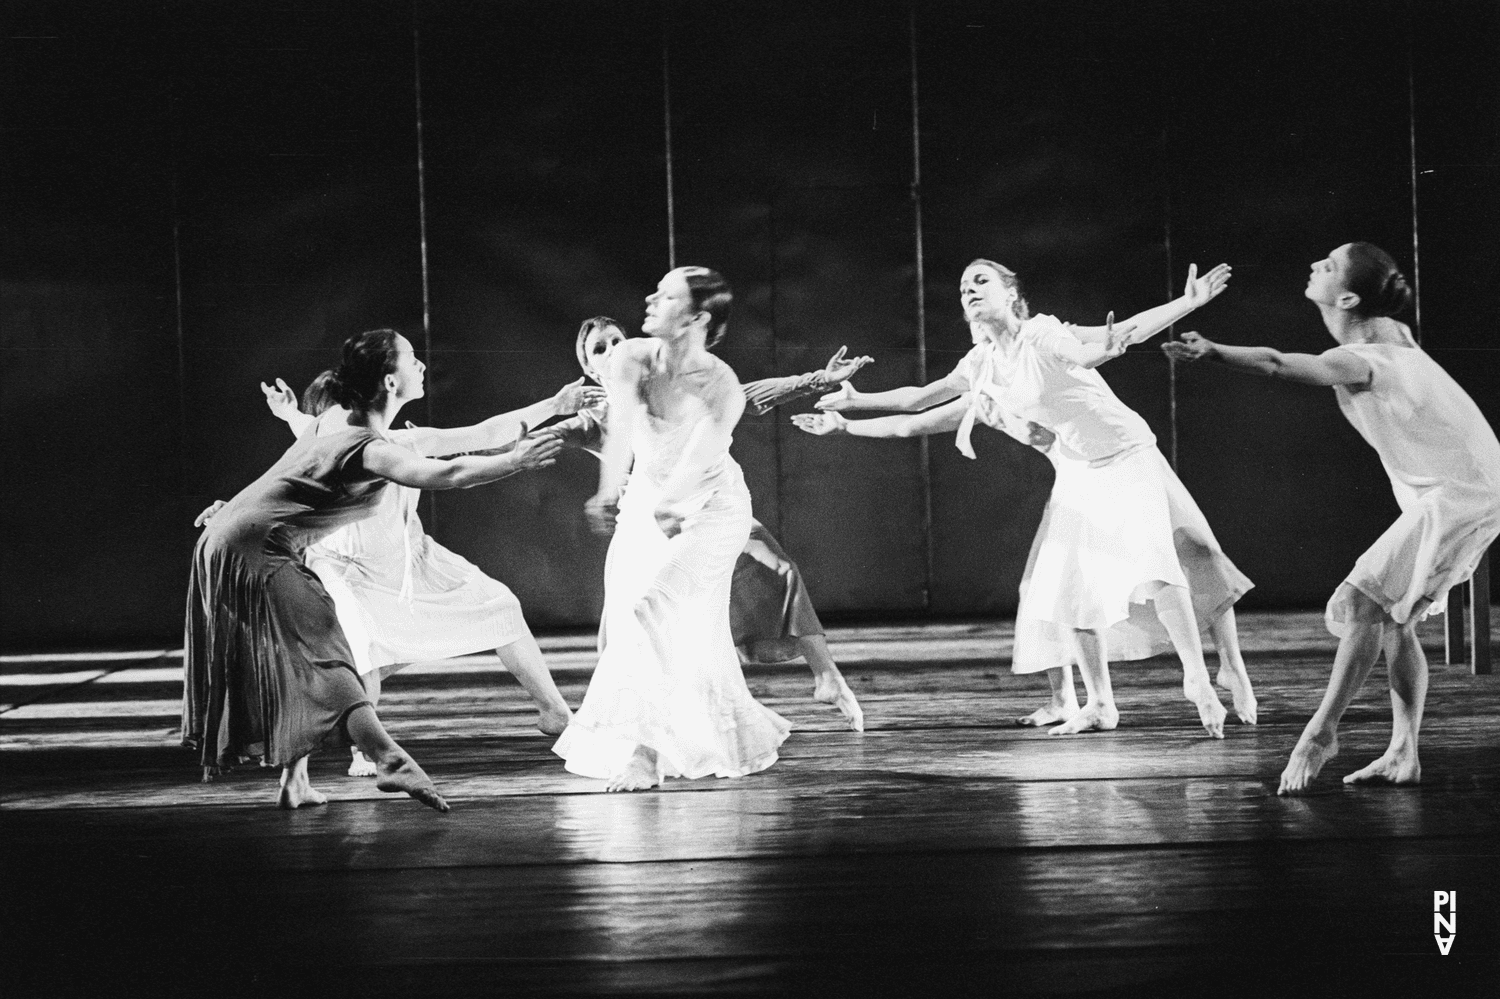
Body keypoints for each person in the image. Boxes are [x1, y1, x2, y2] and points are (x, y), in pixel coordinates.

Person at [796, 260, 1256, 738]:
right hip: (1079, 471)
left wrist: (1184, 305)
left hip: (1126, 452)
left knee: (1170, 558)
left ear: (1012, 294)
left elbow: (1087, 352)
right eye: (962, 286)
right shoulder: (982, 367)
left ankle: (1201, 677)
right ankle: (1098, 703)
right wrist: (853, 410)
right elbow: (916, 405)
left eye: (980, 280)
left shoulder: (1042, 334)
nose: (968, 289)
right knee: (1065, 590)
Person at [1163, 242, 1500, 793]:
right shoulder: (1388, 337)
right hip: (1459, 484)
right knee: (1395, 617)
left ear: (1346, 295)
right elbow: (1383, 325)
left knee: (1368, 597)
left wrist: (1215, 350)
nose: (1315, 263)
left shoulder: (1361, 359)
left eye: (1331, 265)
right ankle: (1403, 754)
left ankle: (1321, 733)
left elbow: (1277, 362)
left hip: (1460, 492)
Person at [183, 328, 563, 810]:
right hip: (258, 549)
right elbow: (448, 474)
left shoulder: (338, 423)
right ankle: (388, 758)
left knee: (309, 661)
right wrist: (515, 461)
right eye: (411, 358)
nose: (422, 365)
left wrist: (238, 506)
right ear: (388, 381)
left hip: (234, 537)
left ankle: (299, 781)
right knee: (327, 656)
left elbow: (284, 472)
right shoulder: (369, 448)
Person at [250, 369, 603, 775]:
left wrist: (555, 406)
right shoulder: (315, 448)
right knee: (364, 647)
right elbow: (283, 472)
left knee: (500, 605)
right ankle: (364, 749)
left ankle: (555, 711)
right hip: (347, 571)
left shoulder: (402, 443)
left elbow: (483, 433)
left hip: (410, 561)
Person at [564, 316, 868, 731]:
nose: (614, 349)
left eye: (617, 339)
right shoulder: (594, 417)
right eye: (599, 348)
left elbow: (746, 395)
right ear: (588, 369)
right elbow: (522, 437)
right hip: (650, 528)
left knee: (779, 568)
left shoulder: (663, 382)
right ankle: (636, 721)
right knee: (640, 628)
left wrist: (817, 379)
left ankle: (827, 676)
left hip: (706, 505)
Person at [552, 269, 792, 790]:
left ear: (697, 318)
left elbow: (702, 461)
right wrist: (608, 488)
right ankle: (724, 730)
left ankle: (644, 753)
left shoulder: (722, 386)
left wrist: (674, 505)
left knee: (652, 608)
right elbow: (620, 429)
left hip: (711, 508)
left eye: (665, 296)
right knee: (651, 623)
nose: (649, 298)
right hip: (646, 502)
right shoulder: (630, 358)